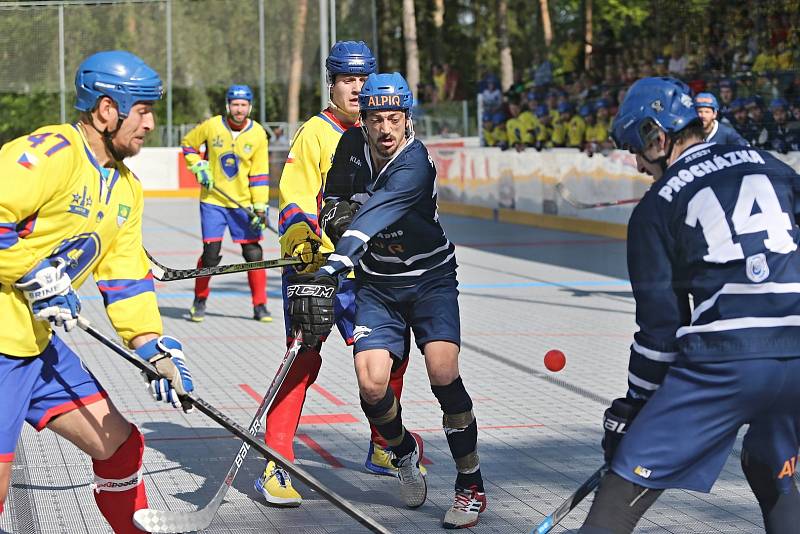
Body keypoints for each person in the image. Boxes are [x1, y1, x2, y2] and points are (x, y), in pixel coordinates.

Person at [578, 76, 800, 534]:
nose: (639, 166)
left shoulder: (656, 206)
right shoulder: (777, 168)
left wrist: (634, 410)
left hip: (729, 362)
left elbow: (661, 331)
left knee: (617, 500)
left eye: (637, 152)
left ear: (657, 138)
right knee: (771, 463)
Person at [0, 50, 195, 533]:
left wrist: (151, 346)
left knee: (121, 446)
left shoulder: (126, 188)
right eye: (143, 110)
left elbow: (125, 277)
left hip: (34, 347)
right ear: (107, 109)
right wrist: (33, 271)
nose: (150, 122)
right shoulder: (50, 153)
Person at [288, 72, 487, 529]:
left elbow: (379, 210)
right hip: (378, 284)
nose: (385, 129)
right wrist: (336, 232)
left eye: (394, 118)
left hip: (430, 279)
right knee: (372, 383)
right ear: (364, 118)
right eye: (376, 119)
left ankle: (470, 481)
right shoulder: (350, 147)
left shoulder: (417, 161)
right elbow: (333, 204)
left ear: (406, 118)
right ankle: (401, 452)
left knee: (442, 373)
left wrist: (339, 259)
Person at [258, 41, 412, 507]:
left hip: (369, 270)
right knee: (302, 360)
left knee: (390, 355)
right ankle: (276, 463)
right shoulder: (316, 134)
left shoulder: (384, 131)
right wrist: (301, 242)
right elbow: (294, 197)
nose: (357, 88)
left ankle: (383, 446)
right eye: (348, 80)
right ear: (332, 83)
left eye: (364, 79)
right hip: (318, 268)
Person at [180, 84, 272, 323]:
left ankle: (260, 305)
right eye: (235, 104)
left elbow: (259, 174)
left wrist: (260, 207)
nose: (239, 109)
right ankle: (199, 299)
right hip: (213, 201)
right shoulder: (212, 126)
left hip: (242, 203)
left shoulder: (258, 134)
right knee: (211, 254)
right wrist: (198, 165)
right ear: (227, 105)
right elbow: (188, 145)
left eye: (243, 105)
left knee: (254, 253)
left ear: (249, 107)